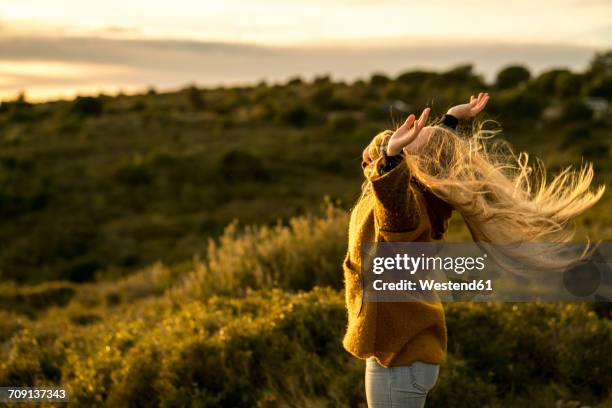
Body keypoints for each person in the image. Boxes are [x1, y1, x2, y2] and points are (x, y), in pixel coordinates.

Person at [341, 93, 604, 407]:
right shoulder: (425, 193)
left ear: (409, 164)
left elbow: (393, 194)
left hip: (401, 357)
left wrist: (393, 154)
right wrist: (451, 119)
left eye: (389, 152)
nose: (370, 159)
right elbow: (433, 161)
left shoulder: (405, 210)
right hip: (399, 350)